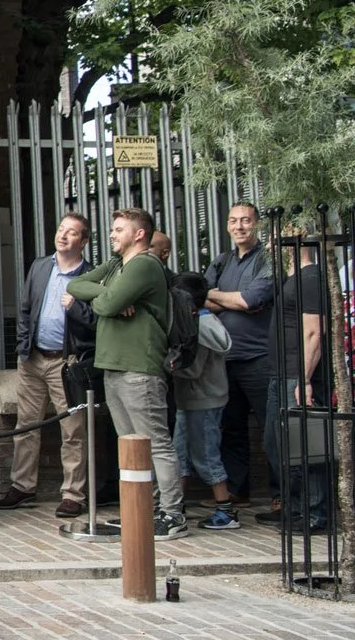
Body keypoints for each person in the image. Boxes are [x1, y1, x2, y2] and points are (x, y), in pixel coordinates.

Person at [66, 207, 187, 540]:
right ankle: (142, 510)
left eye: (119, 229)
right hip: (114, 365)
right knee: (131, 445)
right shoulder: (118, 265)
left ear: (139, 234)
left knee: (155, 443)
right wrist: (112, 294)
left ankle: (172, 513)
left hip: (140, 367)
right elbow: (76, 283)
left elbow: (103, 307)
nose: (112, 234)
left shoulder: (146, 265)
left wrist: (110, 298)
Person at [3, 213, 95, 518]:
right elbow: (26, 307)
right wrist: (22, 346)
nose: (63, 236)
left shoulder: (92, 276)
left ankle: (73, 494)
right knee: (26, 426)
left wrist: (77, 306)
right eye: (61, 230)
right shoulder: (41, 266)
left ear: (83, 241)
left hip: (66, 363)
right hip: (32, 358)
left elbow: (96, 321)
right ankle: (22, 486)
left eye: (72, 233)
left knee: (73, 430)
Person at [203, 203, 275, 506]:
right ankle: (237, 490)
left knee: (271, 428)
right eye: (234, 221)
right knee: (231, 428)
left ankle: (280, 495)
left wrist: (232, 299)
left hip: (259, 357)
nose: (239, 226)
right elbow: (200, 297)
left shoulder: (268, 259)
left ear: (256, 224)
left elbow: (253, 299)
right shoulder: (221, 262)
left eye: (246, 220)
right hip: (224, 359)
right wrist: (235, 300)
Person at [257, 242, 330, 529]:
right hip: (280, 375)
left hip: (296, 377)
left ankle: (314, 513)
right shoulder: (291, 279)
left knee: (303, 447)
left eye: (277, 240)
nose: (270, 245)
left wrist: (305, 379)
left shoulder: (310, 278)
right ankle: (295, 507)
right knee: (277, 445)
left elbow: (314, 333)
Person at [171, 273, 240, 530]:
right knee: (180, 454)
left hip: (203, 399)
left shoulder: (198, 327)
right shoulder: (204, 320)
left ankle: (225, 510)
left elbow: (191, 369)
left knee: (206, 455)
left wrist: (165, 366)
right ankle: (174, 506)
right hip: (192, 399)